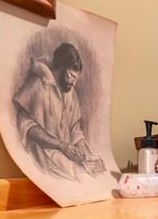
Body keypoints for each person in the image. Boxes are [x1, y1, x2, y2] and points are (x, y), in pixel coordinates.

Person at [14, 42, 105, 180]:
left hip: (65, 154)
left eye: (76, 78)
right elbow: (26, 126)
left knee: (92, 175)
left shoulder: (71, 94)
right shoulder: (37, 85)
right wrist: (61, 145)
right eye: (71, 76)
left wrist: (88, 156)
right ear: (61, 67)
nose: (74, 83)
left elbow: (74, 129)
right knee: (77, 177)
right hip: (42, 154)